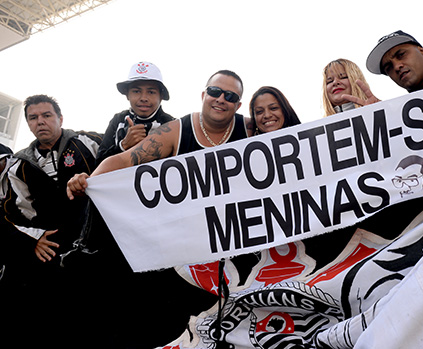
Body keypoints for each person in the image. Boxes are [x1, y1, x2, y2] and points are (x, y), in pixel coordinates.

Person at [66, 70, 247, 348]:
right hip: (178, 252)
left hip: (227, 247)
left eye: (230, 96)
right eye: (214, 92)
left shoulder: (250, 129)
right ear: (203, 95)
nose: (221, 99)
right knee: (170, 326)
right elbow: (125, 160)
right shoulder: (178, 129)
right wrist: (89, 180)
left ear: (238, 104)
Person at [2, 95, 102, 347]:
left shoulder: (88, 142)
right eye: (33, 118)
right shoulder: (19, 166)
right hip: (54, 255)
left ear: (60, 118)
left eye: (47, 115)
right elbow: (13, 215)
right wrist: (33, 240)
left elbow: (120, 161)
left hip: (97, 247)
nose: (40, 122)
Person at [97, 61, 175, 163]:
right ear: (127, 95)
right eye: (136, 91)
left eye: (151, 92)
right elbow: (98, 164)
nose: (143, 98)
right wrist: (123, 145)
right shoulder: (118, 121)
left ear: (161, 97)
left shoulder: (173, 125)